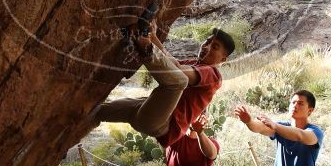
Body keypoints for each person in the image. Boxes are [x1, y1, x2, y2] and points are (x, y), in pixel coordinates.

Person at [95, 22, 234, 148]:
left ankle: (141, 44)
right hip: (145, 113)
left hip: (163, 124)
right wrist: (154, 37)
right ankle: (79, 119)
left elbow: (177, 72)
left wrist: (151, 42)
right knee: (97, 111)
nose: (206, 47)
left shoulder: (214, 75)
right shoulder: (194, 63)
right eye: (207, 41)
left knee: (180, 81)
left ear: (223, 59)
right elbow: (171, 63)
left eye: (214, 47)